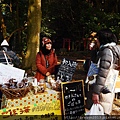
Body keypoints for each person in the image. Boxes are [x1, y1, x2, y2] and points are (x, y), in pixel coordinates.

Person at [85, 28, 120, 115]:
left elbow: (102, 74)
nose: (96, 40)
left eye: (98, 38)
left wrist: (96, 92)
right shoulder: (106, 50)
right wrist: (93, 49)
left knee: (99, 113)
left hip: (102, 91)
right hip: (103, 89)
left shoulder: (107, 52)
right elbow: (94, 62)